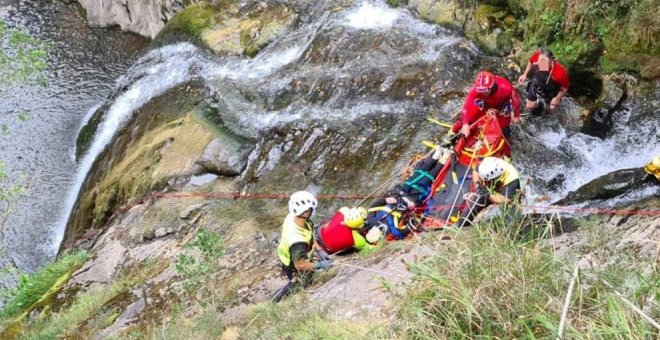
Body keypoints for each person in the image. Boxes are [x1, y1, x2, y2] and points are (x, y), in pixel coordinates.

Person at [273, 191, 332, 302]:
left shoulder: (293, 217)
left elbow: (308, 234)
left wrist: (319, 250)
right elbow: (300, 265)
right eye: (310, 209)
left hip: (295, 254)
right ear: (305, 212)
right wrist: (319, 265)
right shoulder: (297, 240)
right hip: (293, 264)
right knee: (303, 283)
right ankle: (277, 298)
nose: (312, 211)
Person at [452, 71, 521, 140]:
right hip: (485, 103)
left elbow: (515, 100)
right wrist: (465, 124)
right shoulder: (475, 90)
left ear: (491, 86)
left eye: (484, 90)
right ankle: (452, 135)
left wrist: (516, 115)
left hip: (501, 105)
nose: (482, 92)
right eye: (480, 90)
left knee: (504, 130)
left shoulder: (505, 87)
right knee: (467, 119)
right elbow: (467, 105)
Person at [456, 157, 521, 227]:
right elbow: (475, 171)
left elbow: (505, 199)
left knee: (510, 221)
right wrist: (477, 185)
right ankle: (461, 224)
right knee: (474, 205)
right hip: (490, 191)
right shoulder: (487, 165)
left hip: (507, 196)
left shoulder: (512, 179)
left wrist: (488, 195)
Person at [517, 47, 570, 114]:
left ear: (552, 62)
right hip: (537, 83)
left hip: (551, 90)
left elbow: (565, 87)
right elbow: (530, 62)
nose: (541, 65)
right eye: (539, 62)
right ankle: (539, 106)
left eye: (544, 63)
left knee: (551, 111)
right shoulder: (537, 56)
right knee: (529, 106)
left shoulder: (560, 73)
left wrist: (557, 98)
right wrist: (525, 74)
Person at [314, 206, 382, 254]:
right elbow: (370, 248)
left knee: (330, 220)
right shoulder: (357, 240)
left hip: (319, 232)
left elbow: (346, 209)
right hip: (327, 249)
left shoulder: (343, 210)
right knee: (351, 247)